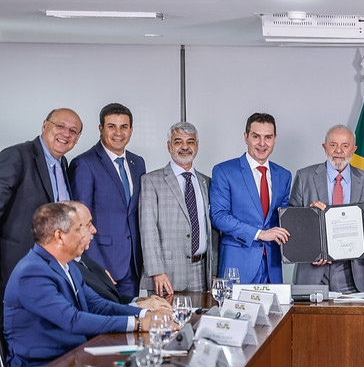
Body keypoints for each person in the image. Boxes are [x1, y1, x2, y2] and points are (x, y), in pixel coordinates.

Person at [3, 202, 164, 367]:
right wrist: (138, 324)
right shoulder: (32, 272)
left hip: (74, 359)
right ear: (59, 236)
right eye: (79, 229)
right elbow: (72, 320)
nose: (85, 235)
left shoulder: (68, 266)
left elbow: (99, 305)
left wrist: (148, 314)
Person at [0, 108, 83, 332]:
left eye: (73, 131)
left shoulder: (63, 165)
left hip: (50, 273)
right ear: (45, 125)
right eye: (60, 126)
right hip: (14, 269)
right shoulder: (17, 156)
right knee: (15, 341)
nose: (66, 134)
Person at [69, 103, 146, 298]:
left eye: (124, 127)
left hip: (132, 265)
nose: (118, 132)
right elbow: (79, 222)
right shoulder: (84, 164)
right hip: (102, 264)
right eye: (111, 126)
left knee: (130, 321)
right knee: (104, 324)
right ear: (101, 128)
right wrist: (95, 267)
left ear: (131, 130)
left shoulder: (137, 163)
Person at [289, 125, 364, 292]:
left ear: (354, 149)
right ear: (324, 147)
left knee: (352, 319)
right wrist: (308, 215)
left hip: (353, 274)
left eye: (345, 145)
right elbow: (291, 226)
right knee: (310, 319)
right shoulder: (304, 177)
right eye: (333, 144)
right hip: (313, 272)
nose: (339, 151)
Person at [210, 113, 291, 284]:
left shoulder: (284, 175)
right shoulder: (224, 171)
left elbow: (285, 218)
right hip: (238, 265)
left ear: (275, 139)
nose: (262, 143)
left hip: (272, 266)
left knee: (274, 311)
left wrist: (312, 214)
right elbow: (219, 217)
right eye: (256, 137)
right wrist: (260, 234)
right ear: (246, 137)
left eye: (268, 137)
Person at [140, 122, 217, 295]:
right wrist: (156, 271)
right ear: (169, 146)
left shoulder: (207, 182)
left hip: (201, 271)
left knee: (200, 321)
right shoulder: (151, 181)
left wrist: (213, 272)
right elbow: (148, 229)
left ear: (196, 146)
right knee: (167, 321)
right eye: (178, 142)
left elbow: (213, 231)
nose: (185, 147)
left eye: (190, 142)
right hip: (166, 273)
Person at [71, 201, 170, 310]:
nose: (94, 230)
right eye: (88, 224)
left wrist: (140, 300)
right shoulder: (67, 270)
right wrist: (138, 307)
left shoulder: (86, 262)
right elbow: (93, 311)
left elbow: (112, 300)